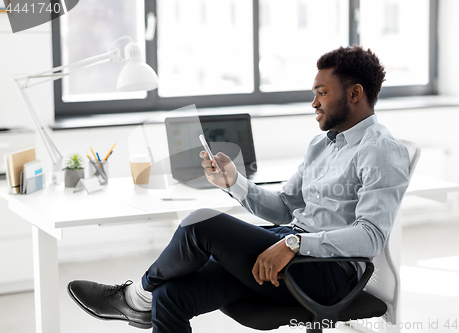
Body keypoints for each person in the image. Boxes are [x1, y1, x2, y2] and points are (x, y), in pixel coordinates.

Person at [67, 45, 410, 333]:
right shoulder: (321, 146)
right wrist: (235, 182)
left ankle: (134, 298)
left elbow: (371, 236)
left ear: (354, 93)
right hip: (290, 249)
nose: (314, 102)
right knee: (170, 296)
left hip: (327, 273)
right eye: (314, 93)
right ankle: (146, 301)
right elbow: (284, 206)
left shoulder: (381, 149)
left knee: (201, 223)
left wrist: (294, 242)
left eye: (322, 92)